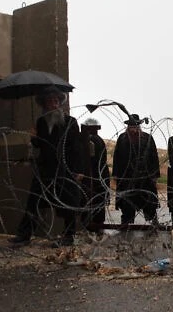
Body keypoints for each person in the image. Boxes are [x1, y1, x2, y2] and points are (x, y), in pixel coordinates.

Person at [10, 86, 84, 247]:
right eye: (50, 101)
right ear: (44, 104)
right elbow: (40, 145)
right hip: (45, 170)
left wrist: (78, 170)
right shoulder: (41, 122)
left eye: (56, 101)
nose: (54, 104)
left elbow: (76, 148)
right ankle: (24, 235)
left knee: (67, 204)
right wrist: (33, 137)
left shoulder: (70, 122)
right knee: (34, 202)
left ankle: (68, 236)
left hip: (65, 169)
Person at [112, 114, 161, 225]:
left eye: (135, 127)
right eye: (131, 127)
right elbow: (117, 157)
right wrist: (115, 174)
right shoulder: (122, 138)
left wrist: (155, 175)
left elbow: (154, 157)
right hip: (126, 177)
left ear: (139, 126)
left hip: (145, 177)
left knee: (148, 201)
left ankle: (153, 223)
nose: (133, 129)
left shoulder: (147, 138)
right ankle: (126, 223)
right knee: (127, 202)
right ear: (128, 127)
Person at [80, 117, 110, 232]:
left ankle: (93, 225)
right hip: (100, 174)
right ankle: (97, 224)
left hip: (94, 175)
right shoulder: (98, 139)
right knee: (98, 200)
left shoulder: (91, 140)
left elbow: (91, 160)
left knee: (93, 200)